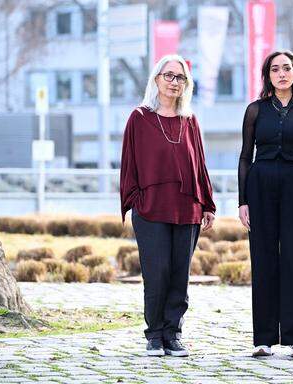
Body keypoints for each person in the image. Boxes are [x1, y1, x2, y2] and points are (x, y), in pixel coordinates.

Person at [120, 54, 216, 357]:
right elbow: (128, 164)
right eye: (169, 75)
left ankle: (174, 333)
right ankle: (154, 335)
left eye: (180, 77)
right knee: (156, 272)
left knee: (179, 274)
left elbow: (200, 164)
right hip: (151, 208)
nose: (174, 82)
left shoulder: (190, 120)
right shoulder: (140, 117)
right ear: (156, 79)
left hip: (187, 207)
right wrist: (135, 199)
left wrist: (207, 204)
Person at [238, 50, 293, 358]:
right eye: (275, 69)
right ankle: (263, 338)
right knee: (263, 259)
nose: (282, 73)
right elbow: (246, 155)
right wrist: (242, 201)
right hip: (260, 187)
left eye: (287, 68)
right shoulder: (255, 110)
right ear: (268, 75)